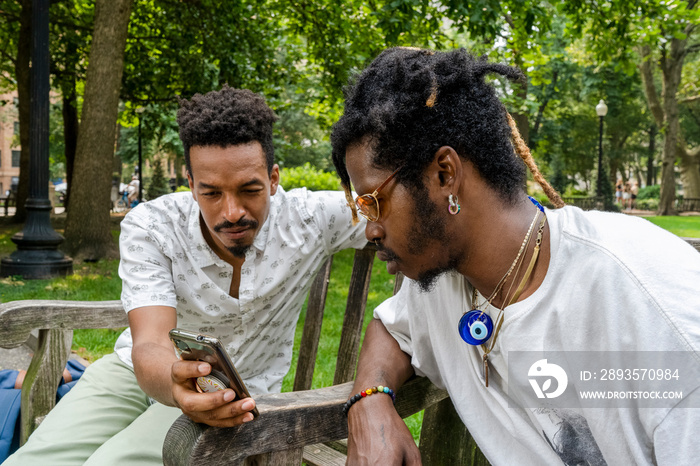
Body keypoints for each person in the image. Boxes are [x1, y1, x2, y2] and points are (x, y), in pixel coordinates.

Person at [330, 48, 700, 465]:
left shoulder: (654, 312)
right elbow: (390, 328)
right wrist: (370, 399)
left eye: (373, 202)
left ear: (444, 174)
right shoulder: (444, 283)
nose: (370, 228)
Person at [5, 86, 367, 465]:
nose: (232, 212)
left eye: (250, 189)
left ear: (273, 178)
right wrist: (178, 389)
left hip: (231, 398)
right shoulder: (153, 226)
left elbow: (397, 203)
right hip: (135, 371)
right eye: (211, 193)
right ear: (191, 185)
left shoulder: (311, 219)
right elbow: (149, 344)